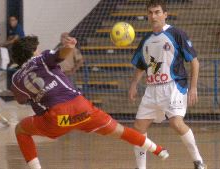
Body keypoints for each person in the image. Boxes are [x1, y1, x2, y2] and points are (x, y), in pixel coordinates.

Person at [10, 35, 169, 169]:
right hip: (81, 109)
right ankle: (158, 149)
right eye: (36, 47)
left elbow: (21, 99)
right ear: (32, 51)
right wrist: (70, 46)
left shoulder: (16, 79)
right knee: (120, 131)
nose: (39, 49)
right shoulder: (42, 58)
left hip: (58, 120)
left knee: (21, 130)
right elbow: (60, 54)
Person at [128, 1, 206, 169]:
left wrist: (193, 87)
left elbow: (194, 62)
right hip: (152, 89)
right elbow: (141, 65)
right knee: (138, 127)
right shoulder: (146, 40)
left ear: (165, 14)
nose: (154, 16)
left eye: (157, 12)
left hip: (174, 86)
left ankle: (198, 161)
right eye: (150, 13)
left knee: (176, 123)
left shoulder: (176, 33)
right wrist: (134, 83)